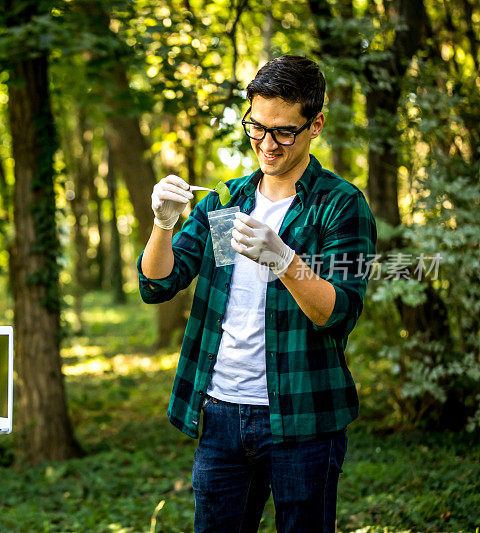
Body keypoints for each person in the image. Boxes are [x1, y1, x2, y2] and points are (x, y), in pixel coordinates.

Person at [138, 55, 377, 532]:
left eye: (284, 131)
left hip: (304, 415)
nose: (267, 144)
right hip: (222, 411)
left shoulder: (340, 204)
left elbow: (339, 314)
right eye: (257, 128)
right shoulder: (227, 198)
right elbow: (159, 283)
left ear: (316, 125)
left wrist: (286, 262)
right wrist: (163, 226)